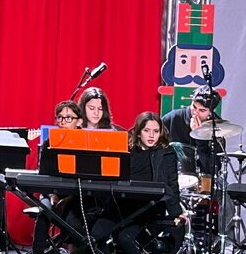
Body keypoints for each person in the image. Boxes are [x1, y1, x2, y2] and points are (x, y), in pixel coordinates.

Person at [90, 111, 184, 254]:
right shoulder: (126, 150)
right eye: (147, 131)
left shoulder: (167, 152)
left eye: (156, 131)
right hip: (122, 204)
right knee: (95, 237)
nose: (151, 135)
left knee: (125, 238)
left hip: (149, 207)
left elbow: (172, 184)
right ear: (139, 132)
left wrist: (177, 212)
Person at [31, 100, 84, 254]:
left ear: (79, 122)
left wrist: (67, 199)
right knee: (45, 211)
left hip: (76, 196)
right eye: (60, 117)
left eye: (68, 118)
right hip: (51, 192)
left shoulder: (85, 143)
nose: (63, 122)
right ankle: (37, 251)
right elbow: (44, 175)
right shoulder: (48, 143)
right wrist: (52, 195)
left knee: (74, 224)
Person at [162, 85, 222, 175]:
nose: (195, 113)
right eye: (194, 107)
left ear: (210, 112)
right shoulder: (174, 118)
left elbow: (213, 168)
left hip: (202, 178)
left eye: (202, 110)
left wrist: (199, 137)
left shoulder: (217, 128)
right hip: (171, 174)